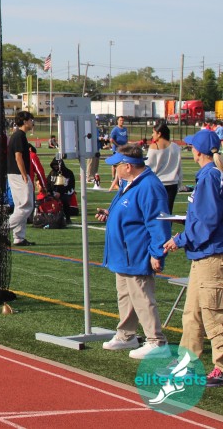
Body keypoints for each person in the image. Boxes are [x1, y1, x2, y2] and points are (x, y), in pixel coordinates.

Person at [95, 143, 171, 359]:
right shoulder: (130, 183)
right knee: (125, 295)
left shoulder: (149, 186)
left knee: (142, 296)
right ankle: (126, 335)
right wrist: (110, 214)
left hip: (136, 253)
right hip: (124, 253)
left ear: (128, 166)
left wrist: (157, 252)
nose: (114, 170)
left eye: (117, 165)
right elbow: (130, 211)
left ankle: (156, 341)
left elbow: (158, 223)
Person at [163, 129, 223, 387]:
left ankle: (221, 366)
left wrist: (181, 239)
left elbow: (208, 220)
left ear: (198, 151)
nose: (190, 150)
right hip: (204, 254)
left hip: (211, 255)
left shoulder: (210, 177)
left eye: (191, 147)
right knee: (192, 313)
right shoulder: (211, 175)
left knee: (213, 313)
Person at [6, 111, 36, 247]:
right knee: (27, 206)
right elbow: (18, 157)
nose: (32, 122)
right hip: (18, 175)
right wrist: (24, 175)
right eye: (30, 120)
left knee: (20, 206)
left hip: (15, 174)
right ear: (24, 121)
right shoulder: (19, 136)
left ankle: (19, 237)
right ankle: (3, 229)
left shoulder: (19, 135)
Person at [146, 119, 182, 214]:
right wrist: (179, 182)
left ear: (159, 134)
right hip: (173, 184)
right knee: (168, 212)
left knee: (155, 212)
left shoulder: (154, 146)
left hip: (158, 183)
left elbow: (148, 166)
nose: (152, 135)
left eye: (153, 132)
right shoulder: (176, 146)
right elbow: (179, 167)